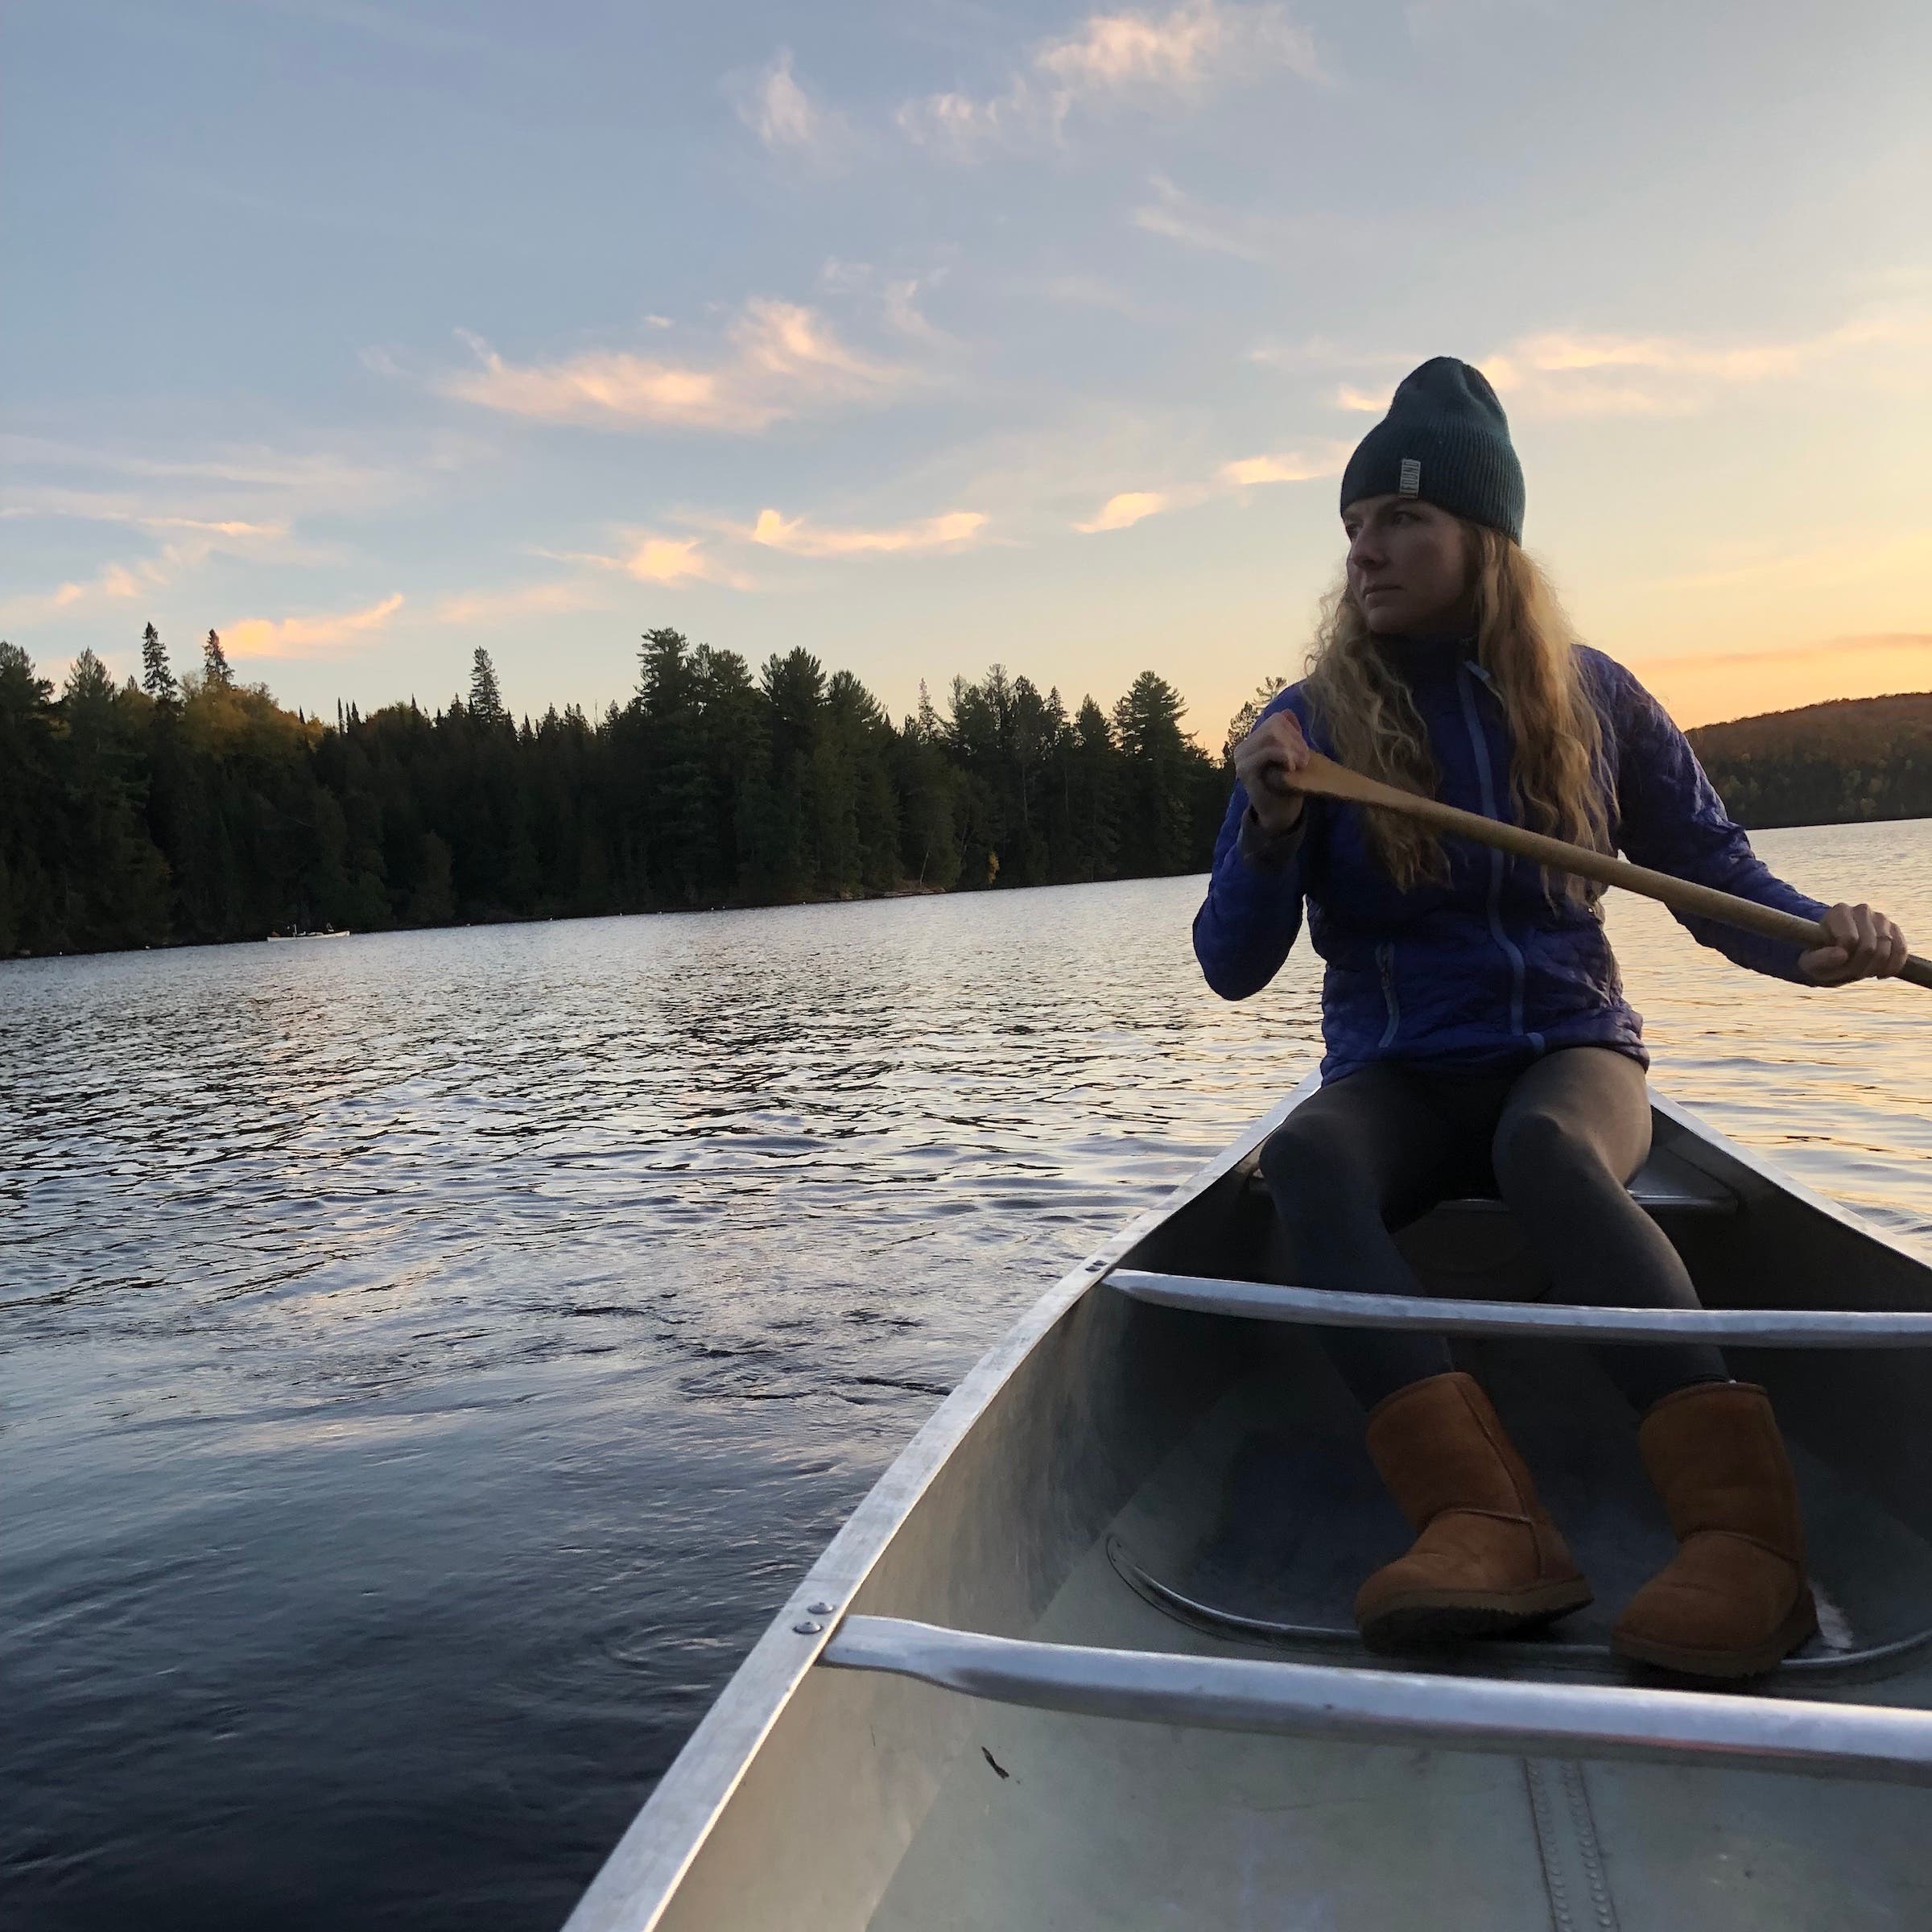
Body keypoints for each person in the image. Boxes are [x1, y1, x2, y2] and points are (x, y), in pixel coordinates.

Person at [1193, 357, 1909, 1679]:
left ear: (1486, 540)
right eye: (1354, 528)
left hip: (1570, 1056)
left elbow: (1718, 883)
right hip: (1400, 1074)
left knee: (1547, 1155)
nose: (1369, 552)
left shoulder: (1593, 700)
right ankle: (1486, 1521)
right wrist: (1275, 830)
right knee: (1304, 1158)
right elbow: (1231, 964)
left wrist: (1828, 945)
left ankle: (1751, 1551)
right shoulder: (1306, 727)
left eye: (1403, 520)